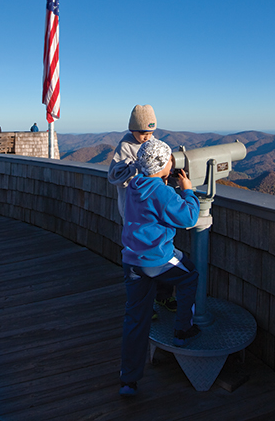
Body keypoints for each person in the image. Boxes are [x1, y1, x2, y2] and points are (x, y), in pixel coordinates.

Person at [118, 138, 207, 396]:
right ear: (162, 165)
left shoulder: (136, 184)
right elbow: (188, 217)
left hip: (132, 261)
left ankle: (128, 380)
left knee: (135, 320)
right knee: (190, 275)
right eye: (170, 160)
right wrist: (187, 190)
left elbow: (152, 203)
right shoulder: (163, 192)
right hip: (157, 260)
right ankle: (182, 330)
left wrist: (165, 182)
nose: (172, 163)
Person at [108, 105, 176, 318]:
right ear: (132, 129)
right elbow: (114, 177)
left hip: (155, 211)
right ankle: (147, 305)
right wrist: (135, 167)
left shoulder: (154, 143)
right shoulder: (124, 148)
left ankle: (163, 295)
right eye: (142, 133)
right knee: (141, 262)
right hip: (135, 215)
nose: (146, 137)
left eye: (150, 132)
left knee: (162, 253)